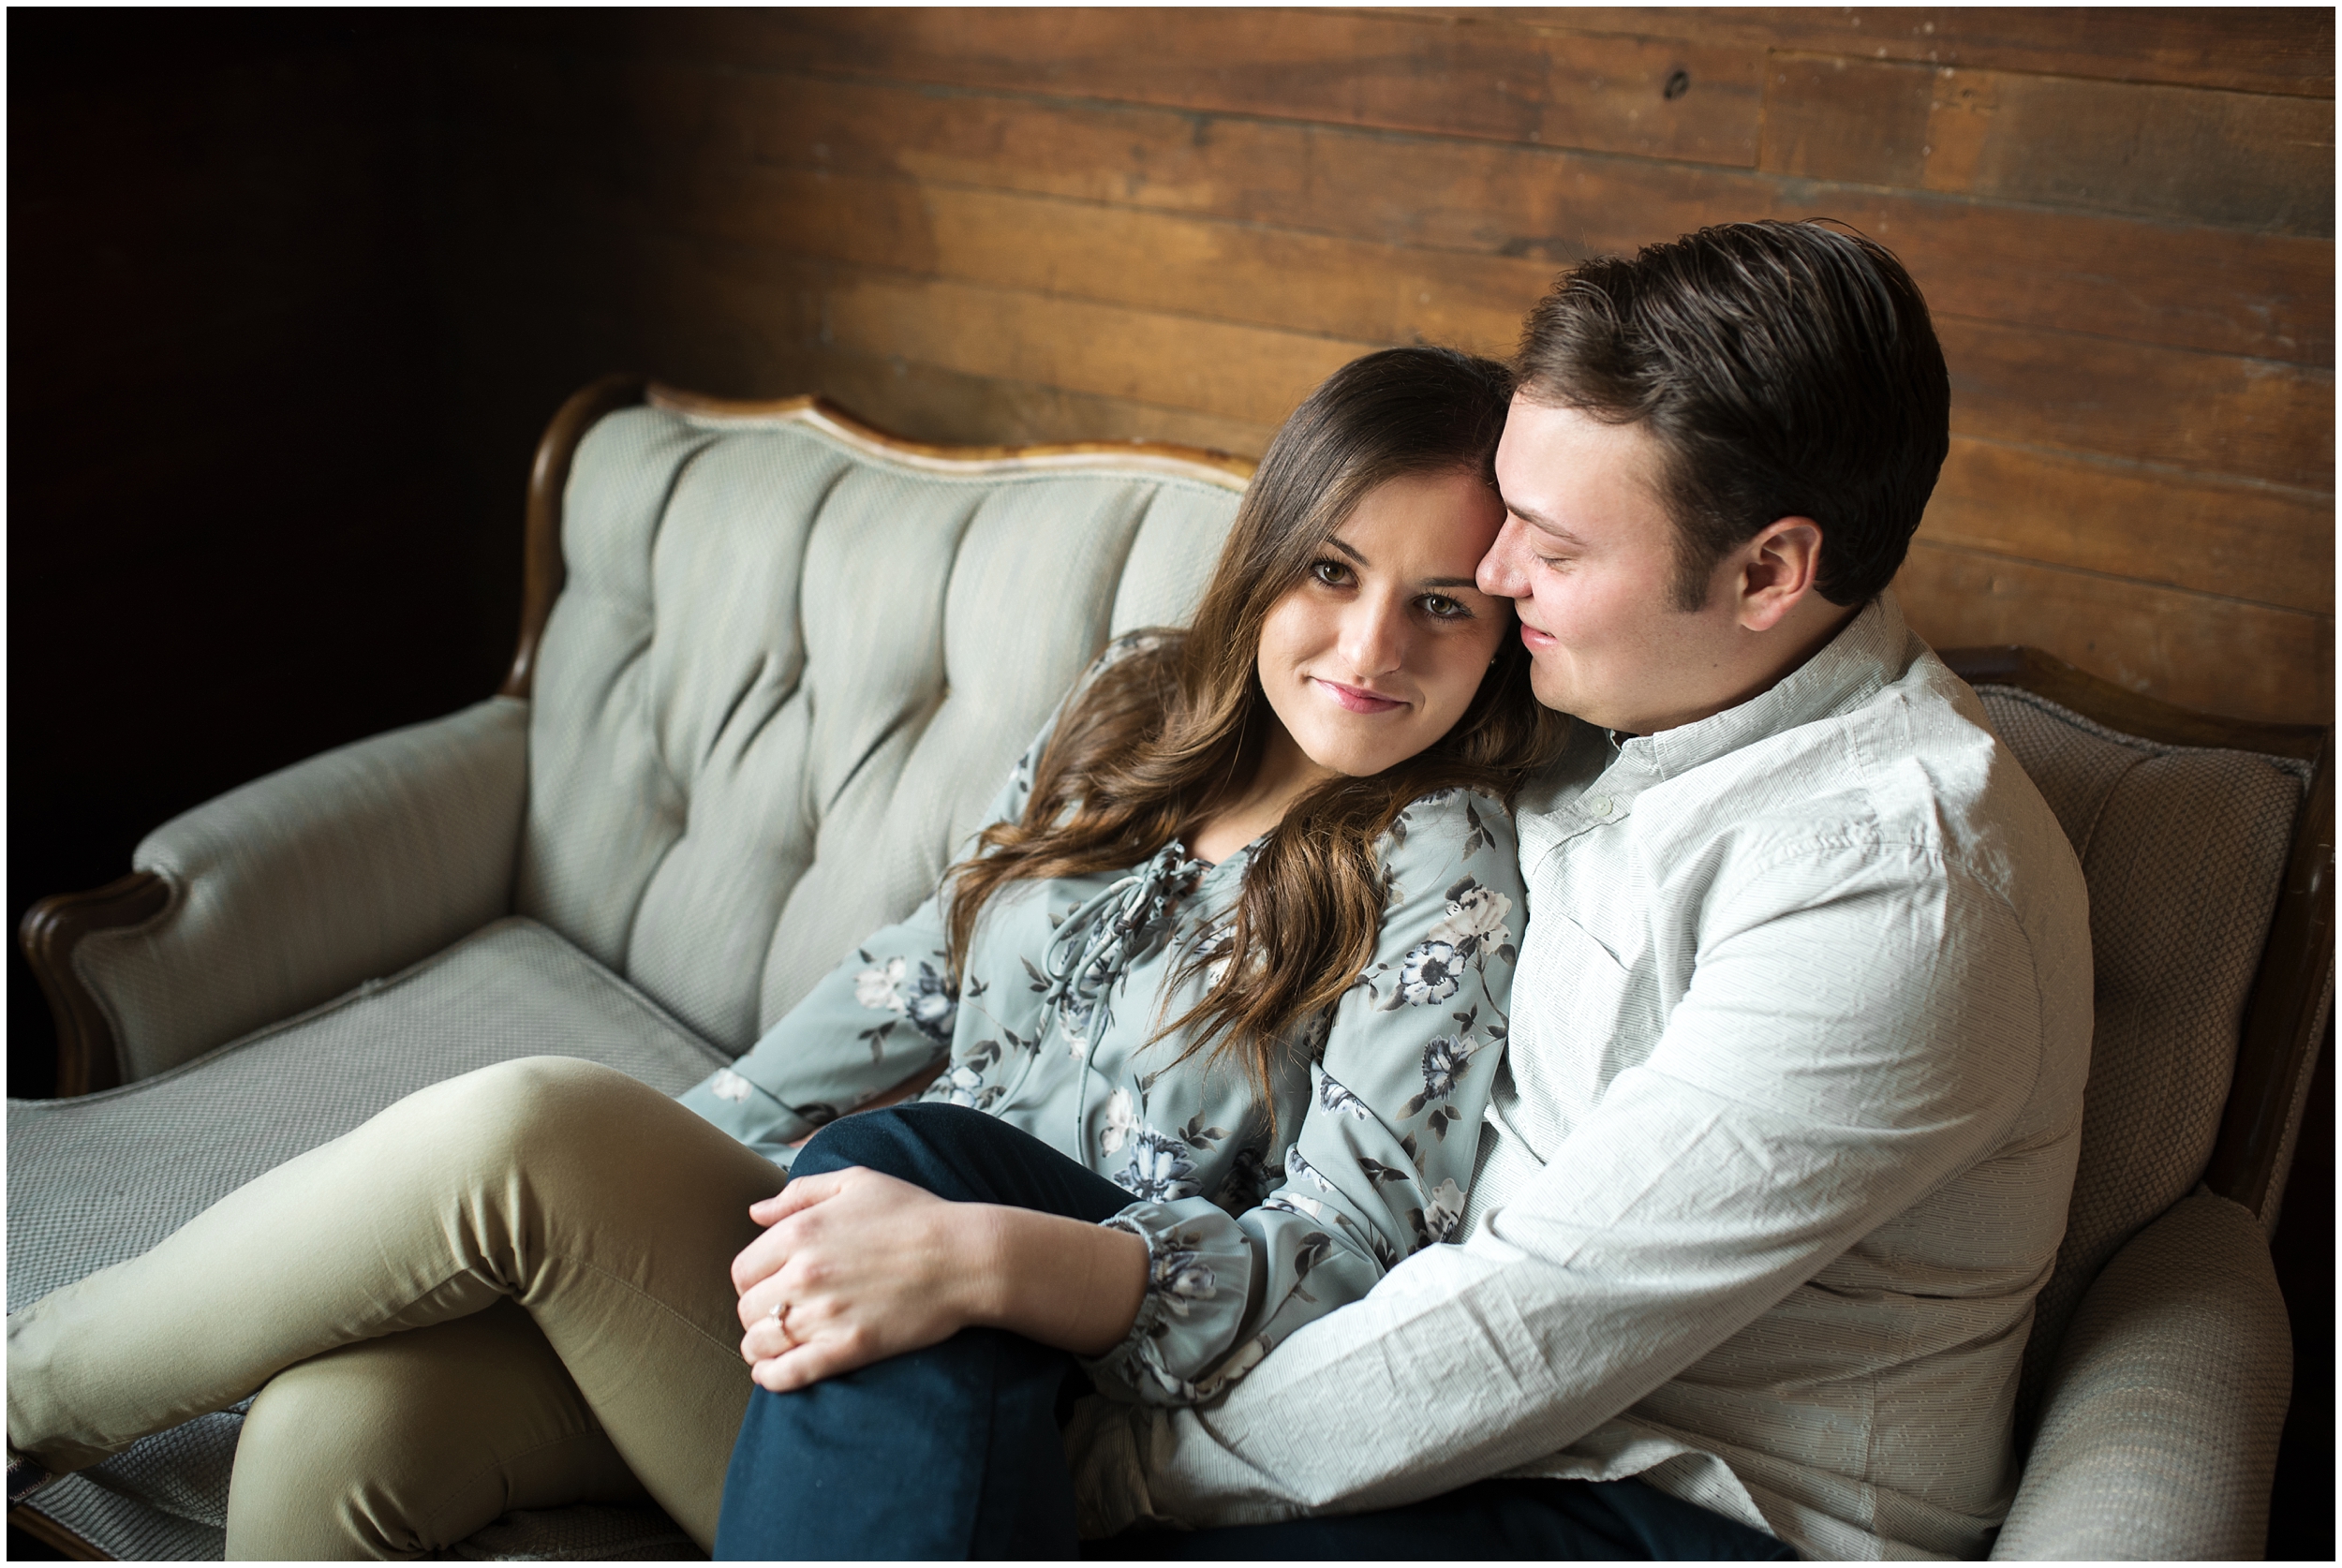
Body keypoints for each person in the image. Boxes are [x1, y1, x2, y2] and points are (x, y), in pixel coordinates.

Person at [7, 345, 1574, 1557]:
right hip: (817, 1262)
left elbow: (1355, 1258)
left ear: (1503, 628)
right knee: (331, 1431)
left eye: (1441, 605)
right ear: (1269, 553)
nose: (1373, 650)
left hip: (1000, 1398)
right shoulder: (1138, 702)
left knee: (529, 1130)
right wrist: (646, 1205)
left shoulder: (1443, 864)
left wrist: (1044, 1269)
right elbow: (915, 974)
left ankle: (21, 1394)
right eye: (1333, 571)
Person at [712, 220, 2093, 1561]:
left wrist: (1103, 1475)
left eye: (1548, 550)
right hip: (1438, 1422)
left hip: (1660, 1504)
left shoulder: (1892, 893)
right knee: (895, 1175)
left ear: (1770, 574)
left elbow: (1534, 1325)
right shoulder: (1625, 703)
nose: (1492, 578)